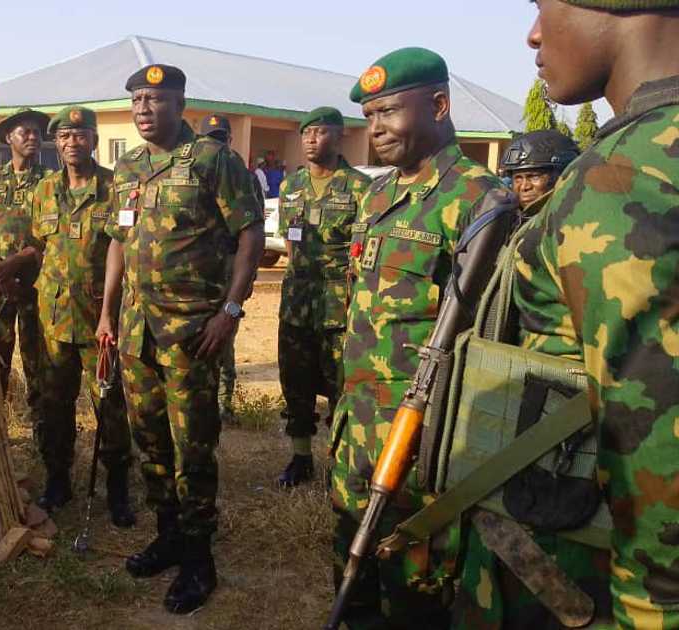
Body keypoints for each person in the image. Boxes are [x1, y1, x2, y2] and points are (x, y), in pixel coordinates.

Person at [450, 2, 679, 627]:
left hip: (578, 568)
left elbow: (654, 445)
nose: (532, 34)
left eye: (544, 6)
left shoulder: (621, 178)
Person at [330, 48, 509, 629]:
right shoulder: (378, 195)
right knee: (349, 566)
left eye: (389, 112)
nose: (376, 128)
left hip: (424, 436)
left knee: (415, 587)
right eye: (370, 116)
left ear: (438, 105)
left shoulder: (481, 201)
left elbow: (493, 332)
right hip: (357, 421)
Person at [98, 64, 264, 614]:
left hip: (191, 330)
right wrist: (106, 312)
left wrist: (232, 311)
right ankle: (168, 534)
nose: (144, 109)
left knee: (193, 446)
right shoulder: (128, 166)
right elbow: (118, 241)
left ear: (180, 103)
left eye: (156, 99)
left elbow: (250, 233)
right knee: (151, 440)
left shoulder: (214, 161)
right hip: (135, 330)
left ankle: (198, 557)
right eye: (138, 100)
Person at [0, 106, 135, 524]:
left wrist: (112, 312)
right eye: (64, 137)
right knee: (54, 404)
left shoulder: (115, 187)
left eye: (80, 135)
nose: (72, 143)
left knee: (108, 402)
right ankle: (58, 480)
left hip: (100, 319)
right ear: (55, 144)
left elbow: (125, 246)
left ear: (93, 140)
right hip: (52, 320)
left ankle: (117, 487)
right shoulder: (44, 192)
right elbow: (38, 245)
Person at [274, 106, 370, 488]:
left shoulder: (361, 187)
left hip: (338, 305)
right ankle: (300, 458)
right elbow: (289, 240)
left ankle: (337, 461)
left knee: (339, 386)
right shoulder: (289, 187)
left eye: (322, 132)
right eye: (307, 133)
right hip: (296, 302)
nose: (313, 140)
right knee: (294, 383)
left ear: (339, 136)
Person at [0, 109, 52, 498]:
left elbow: (50, 233)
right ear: (8, 138)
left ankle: (46, 447)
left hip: (34, 286)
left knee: (38, 367)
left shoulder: (51, 182)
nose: (32, 137)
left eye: (36, 133)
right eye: (24, 132)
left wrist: (18, 262)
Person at [199, 113, 244, 424]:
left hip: (226, 266)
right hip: (199, 269)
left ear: (229, 139)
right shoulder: (194, 167)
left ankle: (224, 404)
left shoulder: (238, 170)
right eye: (210, 138)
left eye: (220, 137)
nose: (216, 143)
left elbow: (248, 229)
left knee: (224, 338)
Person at [499, 129, 578, 212]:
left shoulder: (577, 217)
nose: (524, 187)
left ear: (562, 176)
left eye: (534, 177)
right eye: (518, 178)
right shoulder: (508, 219)